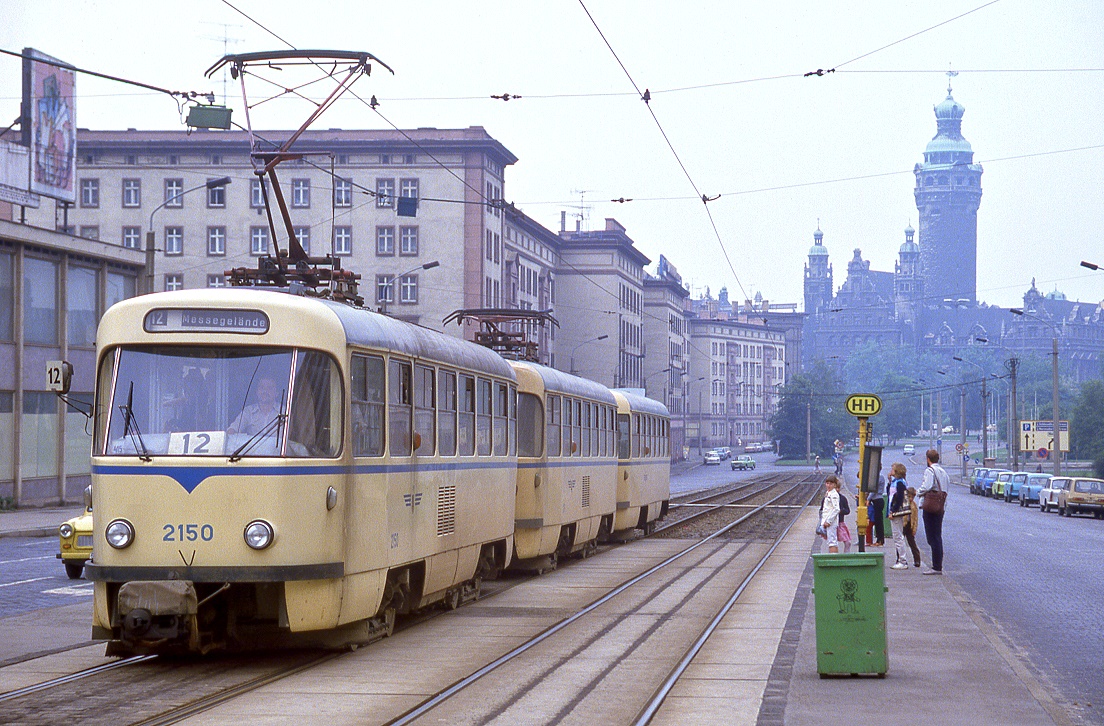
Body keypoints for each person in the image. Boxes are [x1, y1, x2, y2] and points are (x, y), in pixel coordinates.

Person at [917, 448, 949, 575]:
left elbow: (927, 486)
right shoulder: (943, 472)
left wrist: (919, 492)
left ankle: (936, 566)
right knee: (937, 535)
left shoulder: (930, 470)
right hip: (940, 506)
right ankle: (937, 564)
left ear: (928, 459)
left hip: (931, 505)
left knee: (931, 537)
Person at [888, 478, 909, 569]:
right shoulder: (895, 482)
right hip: (894, 512)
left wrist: (893, 510)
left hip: (896, 513)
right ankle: (900, 559)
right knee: (898, 536)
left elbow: (900, 498)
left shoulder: (899, 483)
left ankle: (902, 561)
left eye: (892, 468)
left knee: (898, 536)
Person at [820, 475, 841, 553]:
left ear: (835, 485)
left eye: (831, 484)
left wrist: (828, 521)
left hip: (831, 522)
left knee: (832, 541)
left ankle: (834, 560)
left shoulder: (834, 494)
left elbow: (836, 509)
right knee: (830, 541)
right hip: (827, 521)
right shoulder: (828, 493)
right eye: (827, 483)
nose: (828, 485)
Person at [903, 486, 923, 568]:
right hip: (903, 525)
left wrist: (914, 528)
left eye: (912, 497)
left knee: (912, 543)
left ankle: (917, 560)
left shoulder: (914, 506)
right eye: (909, 497)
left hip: (910, 526)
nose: (910, 499)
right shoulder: (903, 504)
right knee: (900, 543)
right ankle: (900, 558)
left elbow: (915, 519)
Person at [868, 472, 886, 547]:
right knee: (877, 521)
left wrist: (868, 499)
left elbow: (873, 490)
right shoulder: (876, 478)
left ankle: (880, 540)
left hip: (878, 500)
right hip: (876, 501)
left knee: (878, 522)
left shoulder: (878, 478)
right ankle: (879, 539)